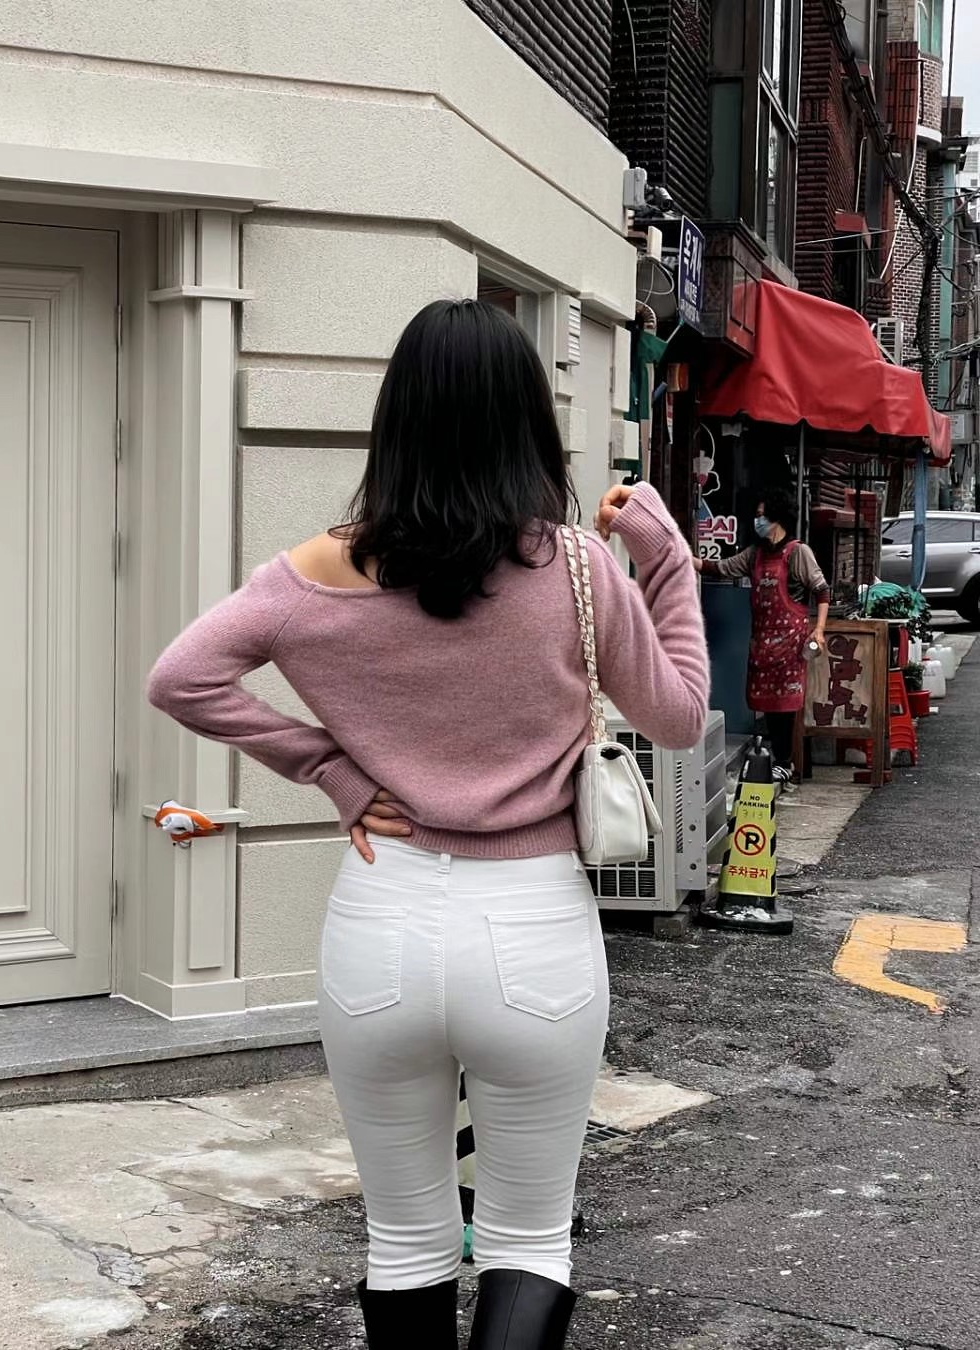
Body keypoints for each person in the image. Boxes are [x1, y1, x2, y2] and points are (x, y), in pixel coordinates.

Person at [148, 299, 709, 1350]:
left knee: (403, 1240)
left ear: (396, 420)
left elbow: (181, 678)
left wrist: (328, 767)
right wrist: (666, 559)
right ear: (526, 423)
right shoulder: (576, 569)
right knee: (528, 1238)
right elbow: (677, 717)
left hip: (382, 926)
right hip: (535, 932)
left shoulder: (312, 574)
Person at [694, 487, 830, 786]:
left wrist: (818, 629)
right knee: (766, 704)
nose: (758, 521)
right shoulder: (754, 554)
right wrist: (687, 559)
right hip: (762, 643)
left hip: (791, 645)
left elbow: (821, 591)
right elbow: (721, 568)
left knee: (786, 706)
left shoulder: (798, 553)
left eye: (761, 515)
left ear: (777, 517)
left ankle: (785, 762)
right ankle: (774, 757)